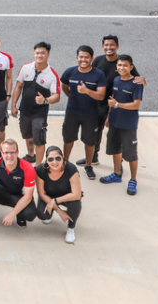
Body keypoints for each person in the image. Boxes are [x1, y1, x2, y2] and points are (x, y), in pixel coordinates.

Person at [83, 35, 146, 167]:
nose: (109, 47)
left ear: (117, 46)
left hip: (115, 104)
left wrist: (144, 80)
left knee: (115, 134)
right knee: (95, 130)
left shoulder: (123, 63)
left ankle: (119, 162)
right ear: (102, 47)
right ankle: (93, 157)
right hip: (98, 103)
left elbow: (138, 79)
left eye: (112, 45)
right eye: (106, 45)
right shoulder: (98, 61)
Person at [59, 46, 107, 179]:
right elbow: (64, 86)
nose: (83, 59)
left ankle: (88, 165)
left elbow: (101, 95)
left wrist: (87, 91)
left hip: (90, 114)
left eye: (86, 57)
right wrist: (72, 96)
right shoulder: (70, 72)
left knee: (89, 142)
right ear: (77, 58)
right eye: (81, 57)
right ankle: (65, 162)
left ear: (91, 58)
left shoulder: (98, 74)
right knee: (68, 139)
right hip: (72, 112)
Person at [100, 55, 144, 196]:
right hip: (114, 122)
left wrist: (117, 105)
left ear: (131, 67)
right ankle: (117, 174)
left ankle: (133, 180)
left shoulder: (137, 83)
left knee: (130, 154)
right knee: (115, 150)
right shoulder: (116, 80)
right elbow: (113, 100)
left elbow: (136, 104)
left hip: (128, 125)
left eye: (125, 65)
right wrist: (109, 116)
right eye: (119, 65)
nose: (121, 68)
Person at [11, 42, 61, 165]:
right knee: (27, 135)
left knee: (39, 140)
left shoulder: (52, 75)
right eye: (37, 53)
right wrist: (13, 105)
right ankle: (30, 155)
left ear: (48, 54)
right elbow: (18, 86)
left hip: (39, 113)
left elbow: (57, 96)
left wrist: (45, 100)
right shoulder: (25, 68)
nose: (39, 55)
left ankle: (38, 167)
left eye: (43, 53)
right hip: (25, 110)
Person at [0, 139, 38, 230]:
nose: (9, 156)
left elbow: (28, 196)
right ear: (1, 153)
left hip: (19, 196)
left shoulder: (28, 168)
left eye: (12, 152)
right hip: (2, 192)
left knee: (30, 214)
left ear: (17, 152)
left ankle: (20, 215)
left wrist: (12, 214)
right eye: (6, 152)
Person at [35, 146, 83, 244]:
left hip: (67, 196)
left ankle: (71, 228)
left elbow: (76, 194)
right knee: (43, 215)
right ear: (46, 161)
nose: (54, 162)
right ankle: (51, 212)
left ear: (63, 158)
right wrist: (59, 210)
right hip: (48, 195)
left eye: (58, 158)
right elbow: (42, 193)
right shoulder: (40, 169)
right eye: (50, 159)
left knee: (75, 204)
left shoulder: (71, 168)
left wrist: (54, 201)